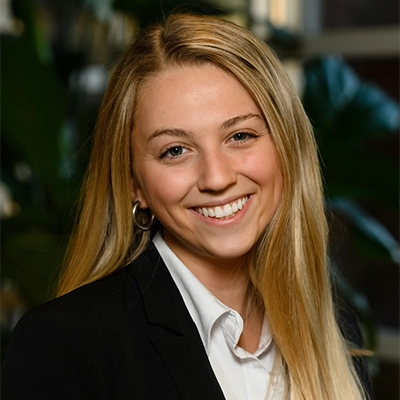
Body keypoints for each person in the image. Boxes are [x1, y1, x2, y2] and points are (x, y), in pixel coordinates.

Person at [0, 13, 372, 400]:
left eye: (240, 135)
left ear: (286, 148)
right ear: (134, 184)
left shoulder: (336, 329)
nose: (216, 178)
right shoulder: (68, 342)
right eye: (174, 150)